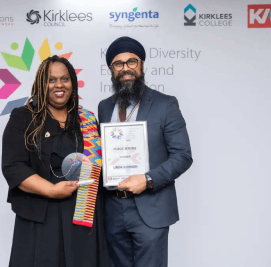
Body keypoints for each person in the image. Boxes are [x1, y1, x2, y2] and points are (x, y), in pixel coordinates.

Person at [2, 55, 110, 267]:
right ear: (41, 83)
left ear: (73, 83)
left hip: (82, 215)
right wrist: (51, 190)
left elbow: (100, 166)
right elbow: (13, 166)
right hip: (40, 216)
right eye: (51, 80)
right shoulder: (24, 117)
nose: (59, 85)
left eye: (65, 79)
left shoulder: (86, 119)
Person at [98, 36, 193, 267]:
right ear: (111, 69)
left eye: (132, 61)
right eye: (118, 64)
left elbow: (182, 155)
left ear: (142, 65)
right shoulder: (104, 107)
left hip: (151, 207)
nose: (125, 68)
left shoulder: (166, 104)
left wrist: (147, 179)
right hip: (112, 209)